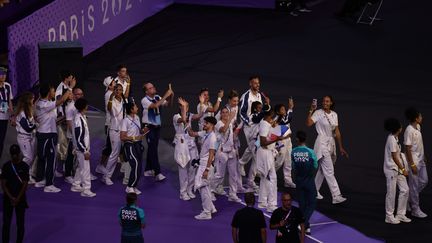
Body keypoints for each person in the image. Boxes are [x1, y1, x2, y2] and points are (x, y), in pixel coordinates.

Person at [306, 95, 348, 204]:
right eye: (324, 101)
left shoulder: (334, 114)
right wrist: (311, 110)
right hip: (321, 143)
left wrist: (341, 147)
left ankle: (313, 192)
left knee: (322, 170)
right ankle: (336, 195)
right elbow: (309, 123)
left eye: (327, 101)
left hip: (331, 143)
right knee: (329, 170)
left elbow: (337, 132)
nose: (325, 102)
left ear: (331, 103)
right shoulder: (318, 113)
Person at [34, 83, 71, 192]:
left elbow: (52, 120)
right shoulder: (44, 104)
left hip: (43, 133)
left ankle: (40, 180)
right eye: (53, 91)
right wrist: (70, 88)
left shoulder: (42, 103)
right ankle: (49, 184)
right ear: (49, 93)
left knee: (41, 158)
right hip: (48, 135)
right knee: (51, 160)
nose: (54, 93)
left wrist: (64, 118)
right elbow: (61, 101)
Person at [239, 75, 269, 190]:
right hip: (250, 127)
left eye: (258, 83)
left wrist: (267, 104)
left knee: (254, 150)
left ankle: (242, 165)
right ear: (250, 84)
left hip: (259, 126)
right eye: (255, 83)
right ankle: (251, 180)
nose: (258, 85)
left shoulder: (260, 95)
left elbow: (262, 111)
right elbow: (241, 112)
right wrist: (248, 122)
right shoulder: (246, 96)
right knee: (256, 152)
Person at [256, 106, 288, 213]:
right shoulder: (264, 125)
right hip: (265, 153)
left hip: (266, 153)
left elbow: (283, 130)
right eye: (272, 116)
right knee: (272, 178)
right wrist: (277, 138)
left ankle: (262, 202)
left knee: (265, 178)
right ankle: (271, 204)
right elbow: (263, 142)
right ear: (268, 116)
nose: (273, 118)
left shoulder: (266, 123)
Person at [141, 82, 173, 181]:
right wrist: (166, 95)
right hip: (148, 127)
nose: (153, 88)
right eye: (150, 88)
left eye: (153, 86)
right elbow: (155, 106)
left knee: (152, 148)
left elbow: (168, 105)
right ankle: (157, 172)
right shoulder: (145, 100)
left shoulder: (157, 97)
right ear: (146, 91)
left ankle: (147, 169)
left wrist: (171, 95)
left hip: (156, 127)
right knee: (153, 149)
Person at [188, 116, 218, 220]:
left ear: (212, 125)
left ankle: (207, 213)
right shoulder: (206, 134)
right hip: (203, 164)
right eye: (204, 123)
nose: (204, 124)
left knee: (202, 187)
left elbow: (211, 155)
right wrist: (186, 121)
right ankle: (211, 208)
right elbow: (192, 133)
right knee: (205, 188)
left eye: (206, 123)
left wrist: (207, 169)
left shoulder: (212, 138)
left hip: (206, 165)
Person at [174, 97, 203, 200]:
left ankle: (190, 189)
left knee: (192, 168)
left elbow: (200, 115)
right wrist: (184, 107)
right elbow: (183, 119)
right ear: (180, 107)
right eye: (183, 106)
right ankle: (183, 192)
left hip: (191, 145)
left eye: (187, 106)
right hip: (182, 146)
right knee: (183, 169)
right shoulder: (176, 117)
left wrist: (202, 103)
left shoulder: (190, 115)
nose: (186, 107)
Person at [211, 106, 241, 202]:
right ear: (220, 114)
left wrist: (235, 149)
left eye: (226, 112)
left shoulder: (230, 123)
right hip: (222, 151)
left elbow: (232, 136)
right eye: (223, 112)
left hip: (231, 151)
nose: (224, 114)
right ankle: (210, 190)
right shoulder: (218, 123)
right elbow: (223, 130)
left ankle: (232, 194)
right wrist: (231, 119)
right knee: (220, 175)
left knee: (233, 174)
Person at [383, 118, 410, 224]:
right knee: (391, 193)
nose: (401, 127)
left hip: (397, 168)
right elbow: (394, 156)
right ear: (398, 128)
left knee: (405, 189)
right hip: (391, 169)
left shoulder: (396, 137)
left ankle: (400, 214)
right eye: (400, 126)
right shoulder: (391, 139)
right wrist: (403, 169)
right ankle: (389, 216)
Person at [1, 144, 29, 243]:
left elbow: (25, 184)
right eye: (13, 154)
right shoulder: (6, 166)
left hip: (18, 199)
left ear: (18, 154)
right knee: (6, 224)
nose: (14, 156)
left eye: (15, 154)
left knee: (20, 224)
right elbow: (3, 184)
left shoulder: (24, 167)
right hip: (11, 199)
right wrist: (13, 198)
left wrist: (15, 198)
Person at [291, 131, 318, 234]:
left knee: (302, 204)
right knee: (311, 203)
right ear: (305, 138)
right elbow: (315, 166)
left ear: (297, 139)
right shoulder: (311, 152)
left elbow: (294, 167)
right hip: (309, 181)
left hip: (299, 181)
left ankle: (306, 227)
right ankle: (303, 223)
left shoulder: (293, 152)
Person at [404, 107, 428, 218]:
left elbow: (419, 143)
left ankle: (408, 199)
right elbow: (407, 148)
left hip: (421, 159)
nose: (422, 117)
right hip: (413, 161)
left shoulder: (418, 127)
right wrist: (412, 164)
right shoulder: (409, 130)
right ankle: (415, 209)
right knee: (413, 186)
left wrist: (424, 155)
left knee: (424, 181)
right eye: (420, 116)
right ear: (416, 118)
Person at [70, 98, 96, 197]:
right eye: (86, 105)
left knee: (80, 167)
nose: (87, 106)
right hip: (82, 149)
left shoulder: (81, 116)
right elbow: (78, 137)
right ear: (84, 106)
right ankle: (86, 189)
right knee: (85, 168)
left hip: (81, 147)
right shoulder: (78, 119)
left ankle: (76, 184)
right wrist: (85, 151)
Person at [102, 84, 127, 185]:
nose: (118, 91)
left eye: (120, 90)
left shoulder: (125, 101)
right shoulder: (112, 101)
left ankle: (126, 172)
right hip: (114, 130)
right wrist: (111, 98)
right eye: (116, 90)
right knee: (114, 153)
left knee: (123, 152)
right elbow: (109, 109)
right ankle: (106, 176)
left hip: (124, 130)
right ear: (114, 91)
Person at [121, 102, 147, 195]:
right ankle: (129, 187)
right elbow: (122, 137)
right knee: (135, 164)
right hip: (130, 145)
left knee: (139, 165)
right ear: (131, 109)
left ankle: (134, 186)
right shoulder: (125, 121)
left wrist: (143, 131)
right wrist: (133, 138)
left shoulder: (137, 118)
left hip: (137, 145)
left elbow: (138, 131)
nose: (137, 107)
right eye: (135, 106)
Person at [55, 70, 76, 173]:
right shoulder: (60, 88)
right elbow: (60, 102)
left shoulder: (67, 87)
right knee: (63, 144)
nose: (73, 79)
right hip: (62, 120)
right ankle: (62, 167)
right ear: (67, 78)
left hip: (67, 118)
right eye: (71, 77)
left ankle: (66, 165)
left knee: (67, 143)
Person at [14, 92, 37, 184]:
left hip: (30, 137)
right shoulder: (22, 113)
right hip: (24, 137)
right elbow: (27, 128)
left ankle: (28, 175)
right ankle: (18, 172)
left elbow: (30, 124)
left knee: (31, 157)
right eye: (32, 99)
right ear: (28, 100)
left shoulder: (28, 111)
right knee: (28, 157)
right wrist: (36, 125)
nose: (33, 101)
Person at [64, 87, 84, 183]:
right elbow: (69, 123)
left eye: (81, 94)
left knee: (78, 155)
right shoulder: (70, 107)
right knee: (71, 156)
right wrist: (75, 136)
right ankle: (67, 175)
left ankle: (78, 172)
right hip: (73, 136)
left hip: (79, 135)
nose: (80, 96)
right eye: (77, 94)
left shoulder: (80, 106)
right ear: (73, 95)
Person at [274, 99, 295, 188]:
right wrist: (290, 108)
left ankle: (288, 180)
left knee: (288, 160)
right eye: (282, 109)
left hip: (288, 140)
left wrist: (289, 109)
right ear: (278, 112)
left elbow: (287, 119)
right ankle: (268, 176)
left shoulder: (284, 116)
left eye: (284, 109)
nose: (284, 110)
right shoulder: (277, 119)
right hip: (280, 141)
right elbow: (288, 120)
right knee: (279, 160)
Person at [97, 76, 116, 174]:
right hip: (110, 124)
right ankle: (100, 165)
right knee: (109, 146)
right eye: (113, 82)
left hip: (114, 123)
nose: (115, 83)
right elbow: (111, 109)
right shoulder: (109, 95)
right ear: (109, 86)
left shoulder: (112, 93)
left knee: (115, 146)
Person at [0, 66, 14, 160]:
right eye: (1, 74)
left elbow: (9, 101)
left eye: (5, 74)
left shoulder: (7, 86)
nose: (3, 76)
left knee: (1, 141)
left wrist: (12, 115)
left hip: (4, 118)